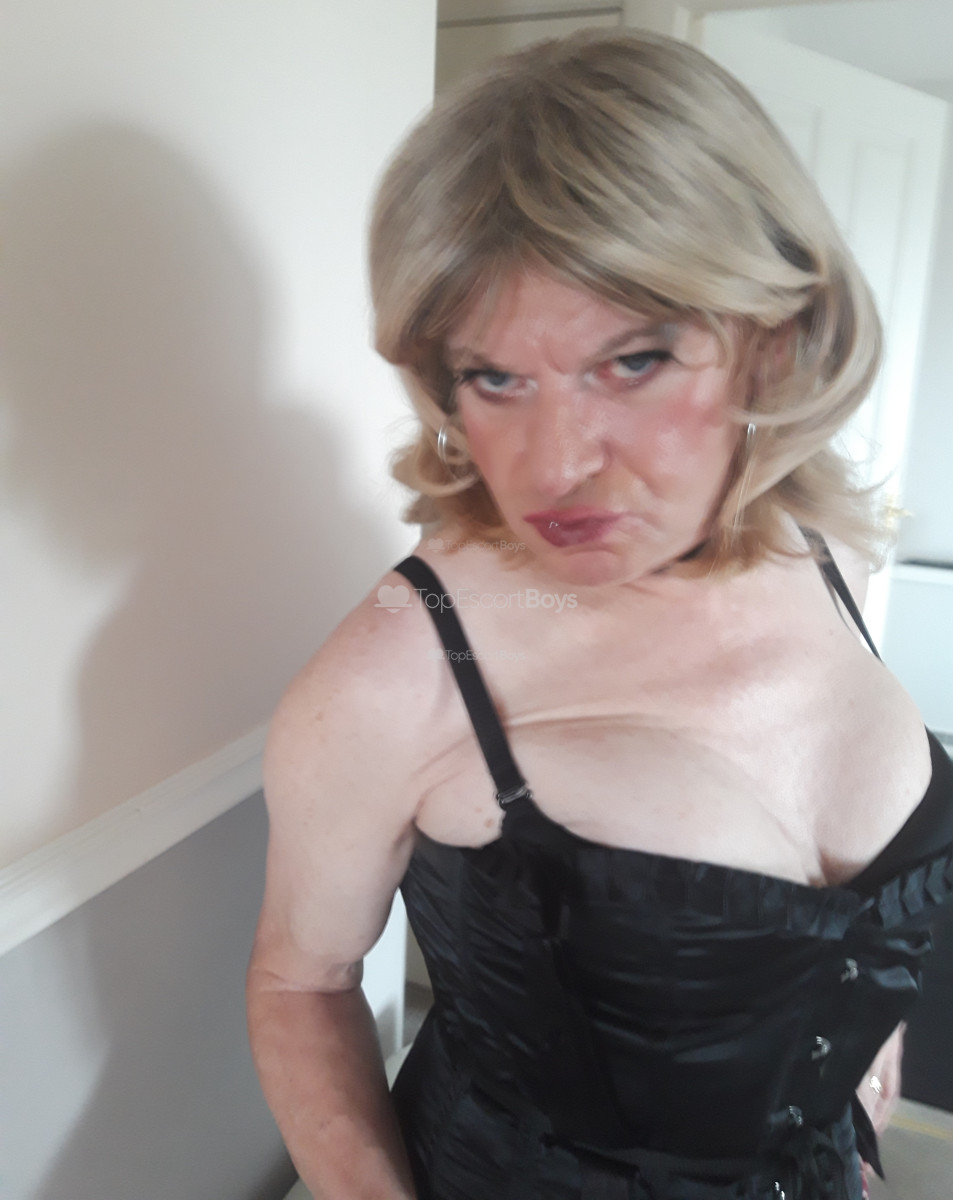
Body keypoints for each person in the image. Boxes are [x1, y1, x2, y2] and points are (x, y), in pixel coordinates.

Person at [246, 31, 953, 1200]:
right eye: (494, 378)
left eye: (630, 361)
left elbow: (851, 925)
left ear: (771, 336)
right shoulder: (401, 671)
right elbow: (298, 982)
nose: (554, 464)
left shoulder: (815, 553)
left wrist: (856, 1090)